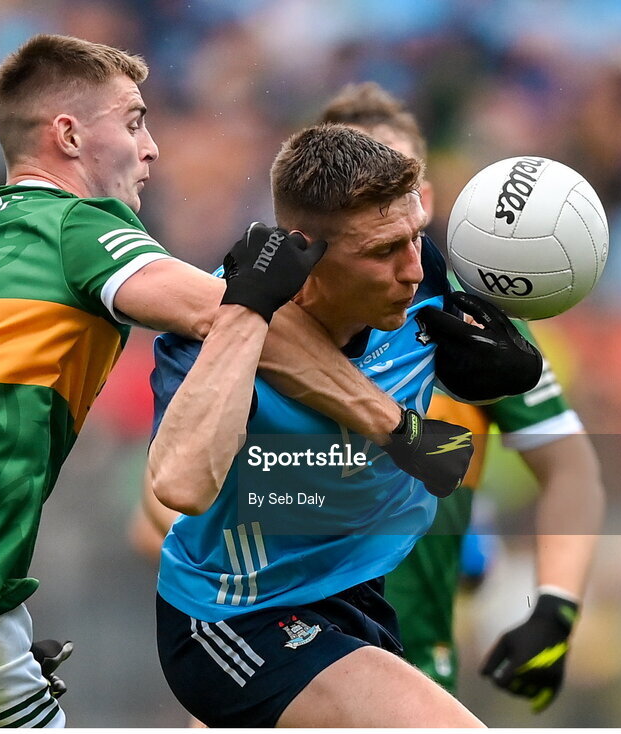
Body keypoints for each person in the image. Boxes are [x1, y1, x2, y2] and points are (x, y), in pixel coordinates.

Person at [0, 36, 474, 728]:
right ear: (69, 136)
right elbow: (238, 318)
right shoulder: (79, 224)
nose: (152, 148)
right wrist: (398, 428)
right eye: (134, 121)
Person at [148, 123, 544, 727]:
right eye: (384, 252)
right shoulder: (221, 331)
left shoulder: (421, 281)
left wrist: (502, 362)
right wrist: (246, 314)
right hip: (237, 617)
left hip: (360, 600)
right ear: (306, 256)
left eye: (416, 238)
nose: (412, 270)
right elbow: (178, 484)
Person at [319, 81, 605, 712]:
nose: (383, 212)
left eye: (396, 190)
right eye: (358, 195)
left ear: (424, 200)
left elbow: (571, 468)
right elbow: (169, 512)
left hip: (416, 672)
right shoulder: (258, 315)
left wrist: (554, 606)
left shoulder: (474, 329)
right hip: (281, 664)